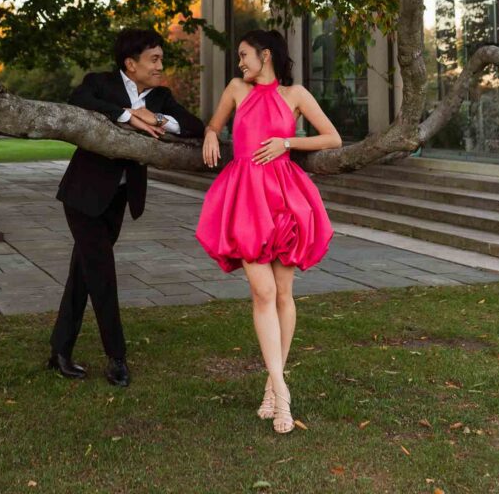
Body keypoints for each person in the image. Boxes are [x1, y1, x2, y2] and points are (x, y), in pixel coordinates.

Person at [195, 29, 340, 434]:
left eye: (244, 55)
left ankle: (270, 389)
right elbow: (215, 123)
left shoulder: (295, 95)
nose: (239, 62)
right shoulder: (236, 88)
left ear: (266, 54)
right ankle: (282, 391)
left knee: (283, 294)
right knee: (262, 293)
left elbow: (332, 136)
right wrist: (209, 133)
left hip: (284, 198)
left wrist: (287, 143)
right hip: (245, 198)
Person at [50, 27, 204, 387]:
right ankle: (116, 357)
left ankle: (59, 350)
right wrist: (127, 114)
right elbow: (77, 101)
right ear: (130, 64)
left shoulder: (161, 96)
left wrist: (159, 119)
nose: (160, 66)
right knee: (102, 273)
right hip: (82, 197)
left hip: (118, 199)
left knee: (83, 276)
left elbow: (194, 125)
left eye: (161, 59)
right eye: (154, 59)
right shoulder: (100, 83)